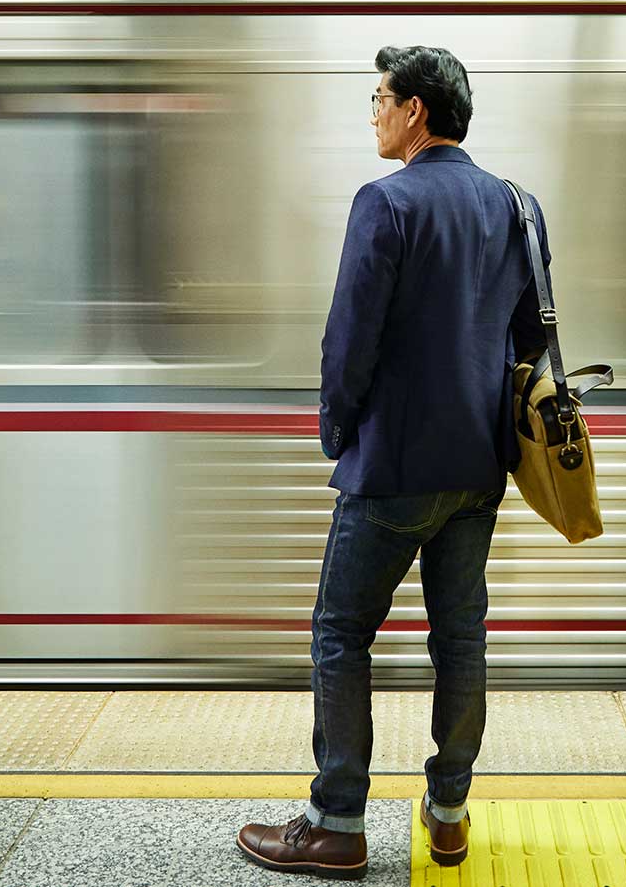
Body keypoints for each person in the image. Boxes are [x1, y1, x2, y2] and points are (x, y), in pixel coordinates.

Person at [235, 45, 548, 881]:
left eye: (379, 98)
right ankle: (448, 814)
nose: (372, 112)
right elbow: (531, 341)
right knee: (461, 638)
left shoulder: (386, 202)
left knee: (341, 634)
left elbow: (349, 340)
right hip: (479, 469)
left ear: (415, 111)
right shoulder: (518, 206)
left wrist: (338, 433)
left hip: (393, 470)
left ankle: (336, 822)